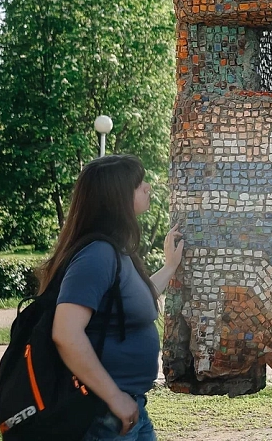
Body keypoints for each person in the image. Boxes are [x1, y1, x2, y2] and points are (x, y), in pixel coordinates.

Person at [36, 154, 183, 441]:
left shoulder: (116, 251)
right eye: (139, 184)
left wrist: (169, 267)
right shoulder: (97, 255)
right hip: (103, 412)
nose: (148, 187)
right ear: (117, 197)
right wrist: (113, 396)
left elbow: (136, 303)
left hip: (127, 409)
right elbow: (66, 333)